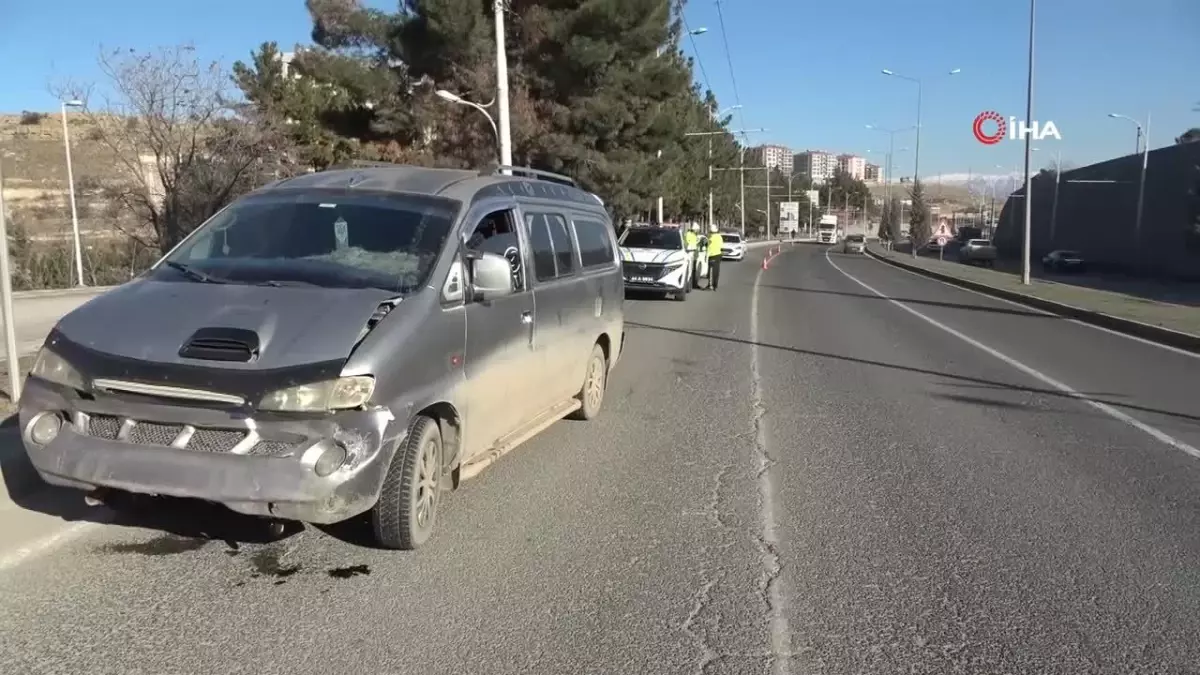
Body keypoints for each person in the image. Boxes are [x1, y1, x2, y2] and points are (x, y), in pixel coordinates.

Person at [706, 224, 723, 291]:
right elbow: (721, 246)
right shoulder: (719, 237)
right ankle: (715, 285)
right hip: (718, 255)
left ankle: (710, 286)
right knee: (716, 271)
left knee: (711, 271)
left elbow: (707, 245)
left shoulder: (711, 238)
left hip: (712, 255)